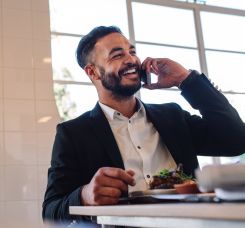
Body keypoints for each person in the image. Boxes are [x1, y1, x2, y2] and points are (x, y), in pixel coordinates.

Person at [42, 25, 245, 223]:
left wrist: (186, 79)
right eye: (117, 55)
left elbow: (236, 140)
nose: (131, 59)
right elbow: (51, 211)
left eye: (132, 52)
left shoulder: (173, 116)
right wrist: (85, 195)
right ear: (92, 72)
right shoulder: (73, 134)